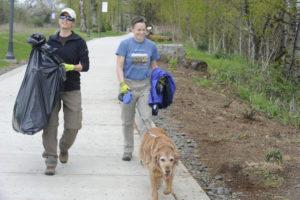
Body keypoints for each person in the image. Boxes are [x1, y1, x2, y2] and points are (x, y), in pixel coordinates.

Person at [43, 8, 89, 175]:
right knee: (50, 125)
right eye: (62, 16)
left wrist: (71, 67)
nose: (65, 19)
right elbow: (44, 63)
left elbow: (86, 66)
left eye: (69, 18)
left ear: (73, 22)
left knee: (74, 125)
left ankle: (63, 147)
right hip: (52, 89)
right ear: (59, 20)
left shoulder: (79, 42)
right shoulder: (51, 41)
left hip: (72, 88)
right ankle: (50, 160)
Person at [116, 16, 159, 161]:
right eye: (138, 29)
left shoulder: (151, 46)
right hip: (128, 86)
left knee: (146, 118)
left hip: (145, 86)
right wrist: (122, 84)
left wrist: (159, 81)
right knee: (127, 120)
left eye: (143, 29)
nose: (141, 32)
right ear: (132, 29)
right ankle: (128, 149)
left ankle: (144, 152)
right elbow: (119, 66)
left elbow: (154, 66)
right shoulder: (125, 45)